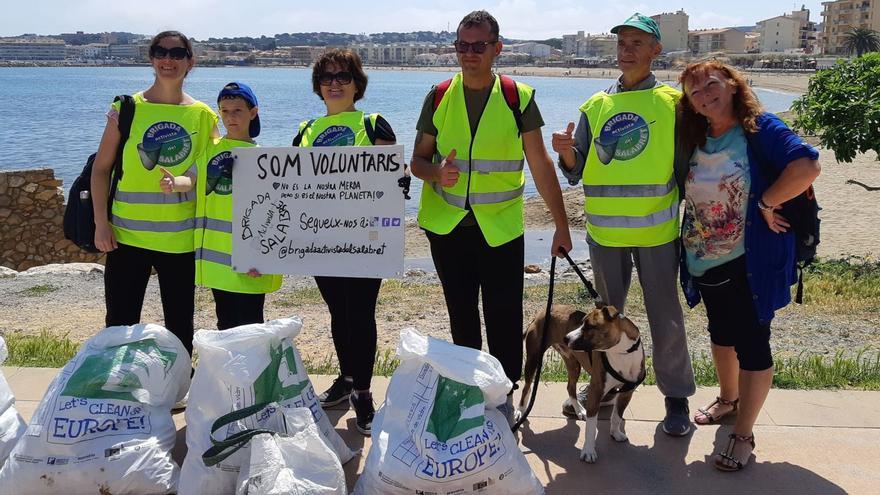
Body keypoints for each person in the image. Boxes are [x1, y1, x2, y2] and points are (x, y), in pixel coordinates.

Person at [410, 10, 572, 424]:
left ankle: (504, 398)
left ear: (496, 49)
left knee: (503, 315)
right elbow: (417, 162)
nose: (468, 54)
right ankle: (468, 392)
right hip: (447, 228)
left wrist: (561, 224)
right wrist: (436, 173)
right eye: (462, 46)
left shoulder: (518, 97)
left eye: (478, 46)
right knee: (461, 315)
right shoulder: (440, 94)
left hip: (500, 227)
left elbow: (540, 163)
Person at [552, 13, 696, 436]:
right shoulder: (595, 106)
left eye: (637, 42)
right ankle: (608, 390)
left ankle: (676, 399)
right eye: (622, 43)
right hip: (605, 234)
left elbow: (687, 170)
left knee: (665, 318)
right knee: (603, 325)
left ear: (656, 50)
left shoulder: (673, 103)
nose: (627, 49)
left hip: (657, 233)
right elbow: (575, 170)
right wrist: (563, 151)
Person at [677, 60, 820, 471]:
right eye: (696, 91)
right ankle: (728, 399)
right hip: (704, 260)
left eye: (712, 84)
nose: (705, 94)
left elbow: (807, 165)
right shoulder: (697, 136)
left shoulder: (760, 127)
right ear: (691, 103)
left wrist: (767, 201)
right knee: (721, 333)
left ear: (733, 85)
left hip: (749, 261)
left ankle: (743, 434)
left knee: (753, 343)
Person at [292, 48, 402, 436]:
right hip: (320, 240)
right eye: (327, 78)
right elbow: (285, 185)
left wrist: (400, 178)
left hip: (365, 239)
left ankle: (365, 391)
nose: (335, 84)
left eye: (343, 77)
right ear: (318, 87)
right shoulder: (305, 131)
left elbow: (393, 178)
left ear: (357, 84)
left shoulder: (373, 125)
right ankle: (347, 379)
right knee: (339, 313)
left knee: (361, 313)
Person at [92, 30, 218, 358]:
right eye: (161, 52)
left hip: (179, 239)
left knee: (179, 327)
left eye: (177, 54)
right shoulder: (127, 107)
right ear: (151, 58)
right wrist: (101, 224)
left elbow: (210, 174)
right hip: (126, 236)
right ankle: (117, 385)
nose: (168, 59)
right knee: (120, 324)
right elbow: (101, 169)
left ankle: (177, 386)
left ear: (191, 62)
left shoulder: (204, 116)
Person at [162, 81, 282, 330]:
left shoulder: (264, 158)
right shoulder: (209, 149)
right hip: (217, 263)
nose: (230, 117)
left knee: (250, 326)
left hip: (248, 261)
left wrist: (262, 257)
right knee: (225, 323)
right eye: (224, 111)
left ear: (253, 113)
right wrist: (175, 183)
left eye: (237, 110)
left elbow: (273, 212)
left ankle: (252, 370)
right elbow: (191, 179)